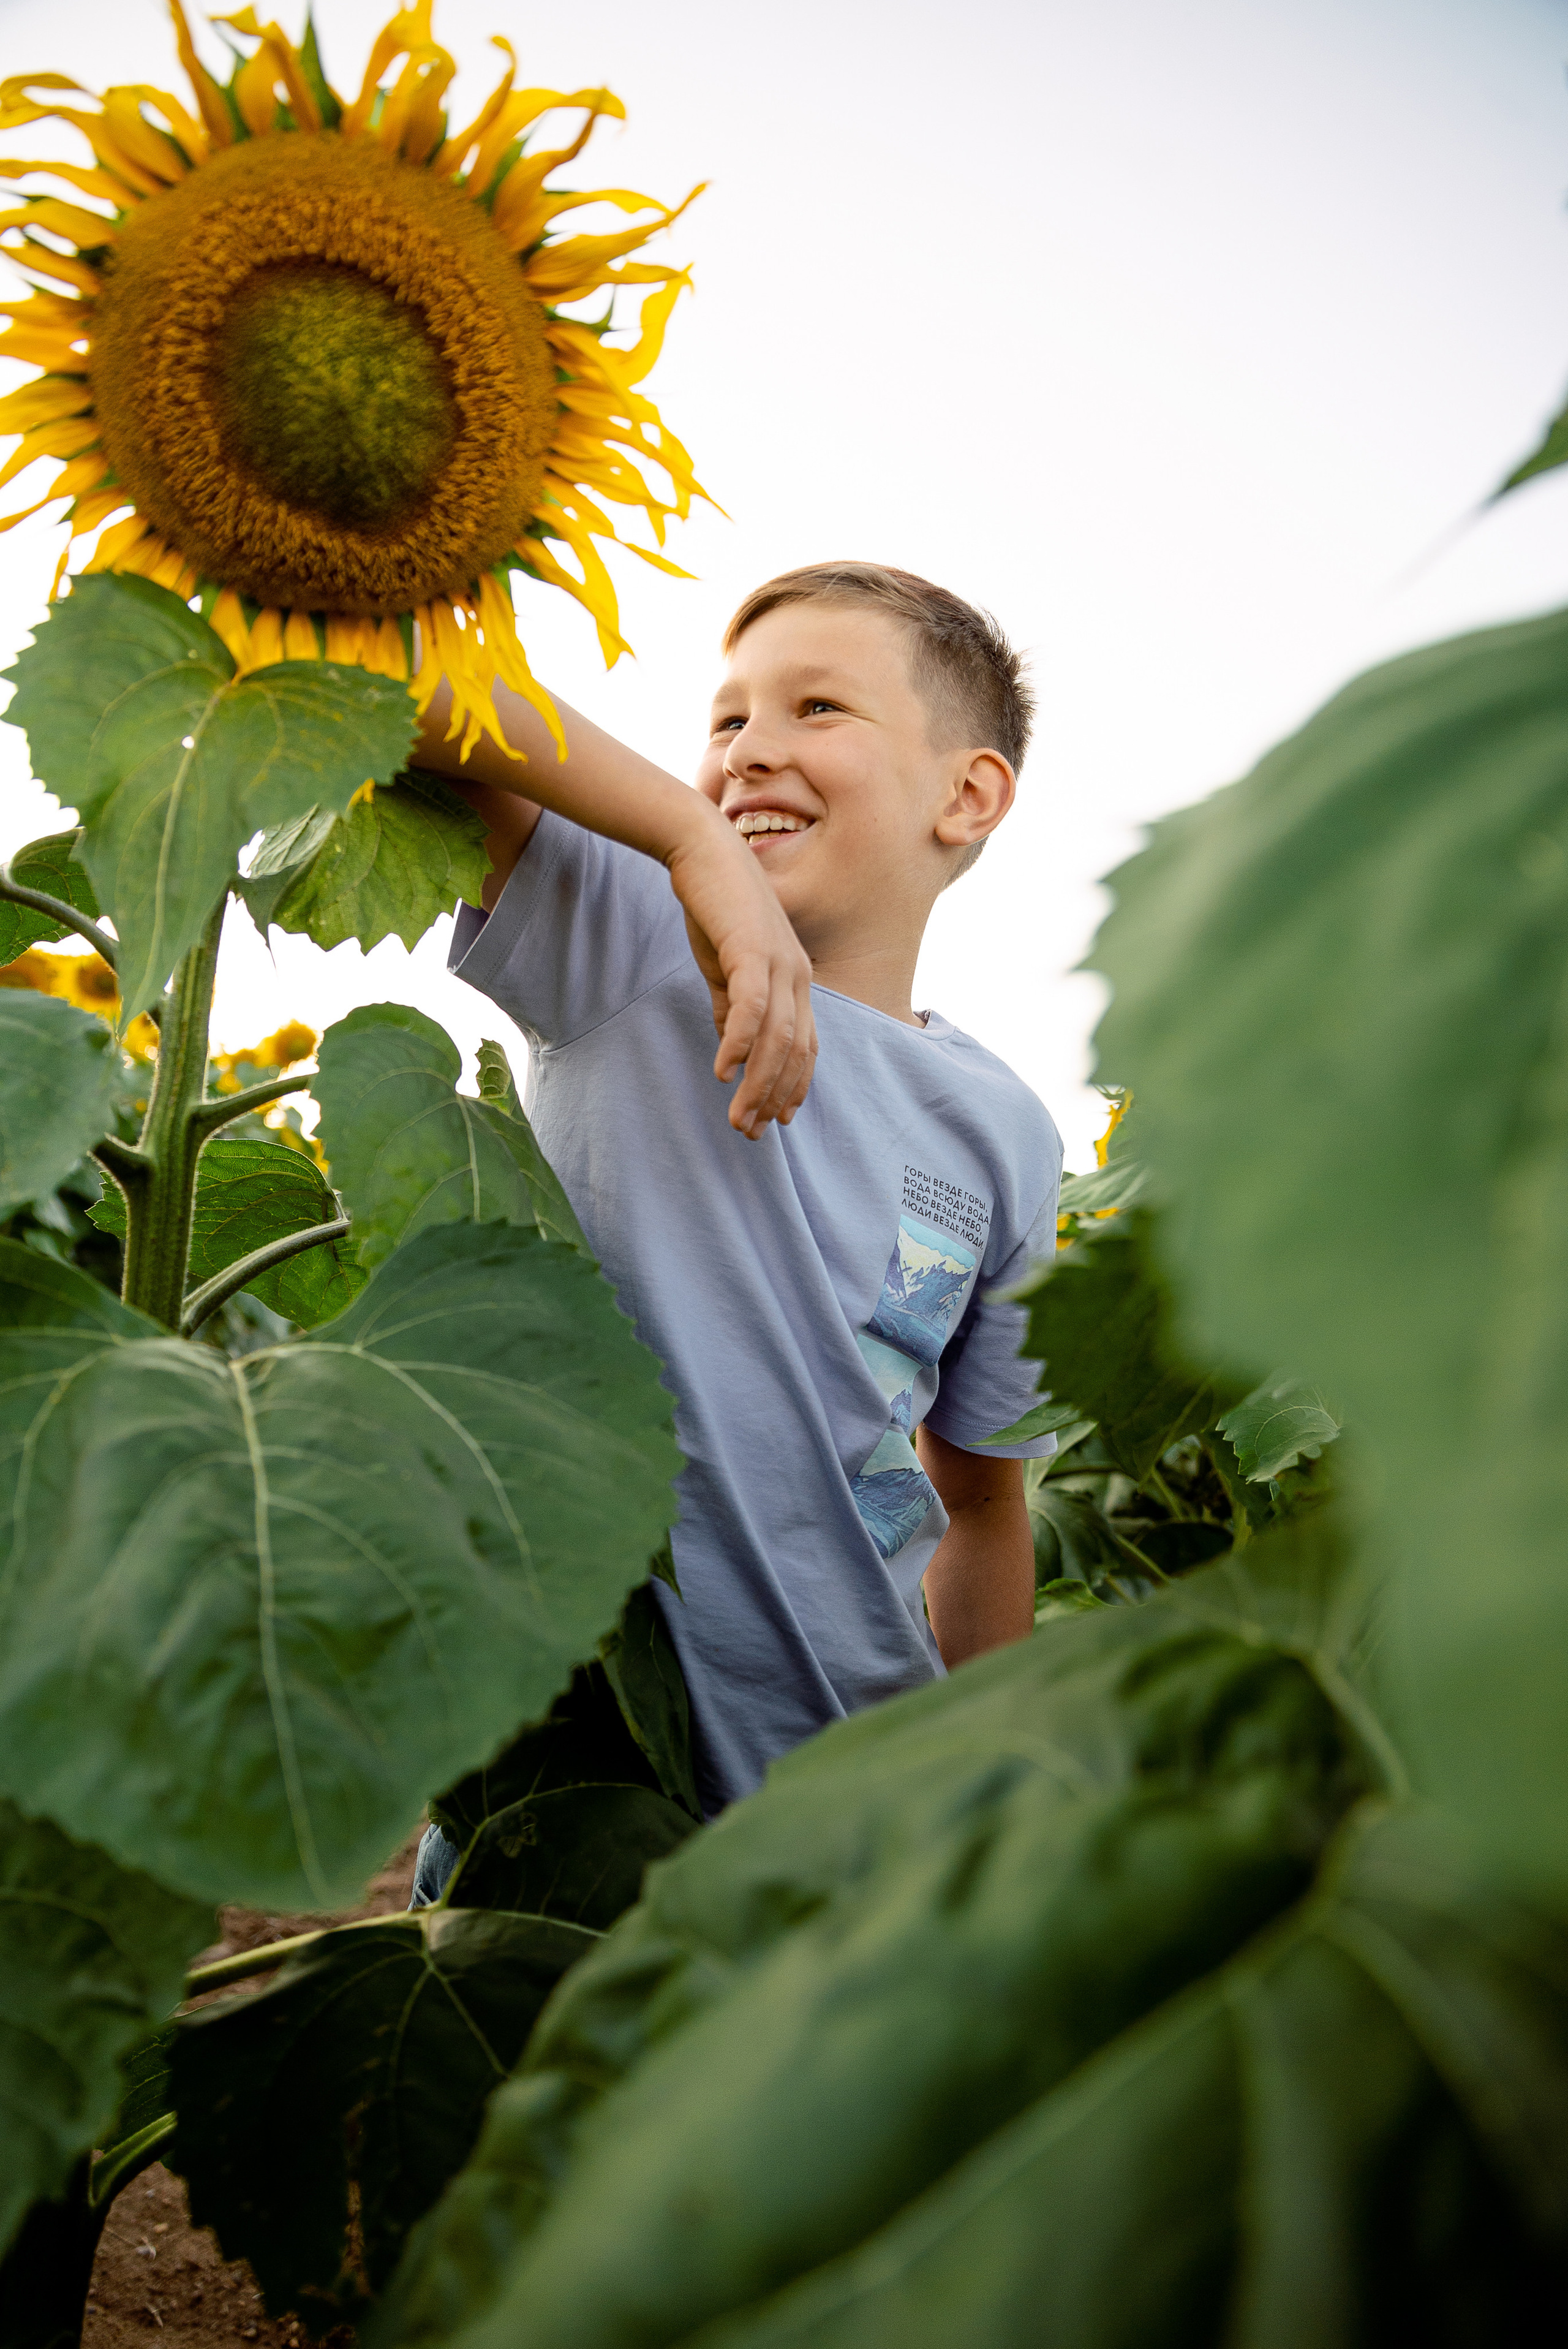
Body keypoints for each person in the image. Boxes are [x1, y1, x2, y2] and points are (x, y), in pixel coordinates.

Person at [412, 559, 1063, 1865]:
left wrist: (978, 1783)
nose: (749, 752)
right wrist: (686, 836)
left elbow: (982, 1499)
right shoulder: (636, 936)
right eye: (724, 723)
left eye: (816, 709)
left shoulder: (1001, 1130)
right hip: (583, 1801)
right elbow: (379, 670)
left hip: (859, 1802)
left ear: (968, 793)